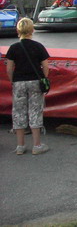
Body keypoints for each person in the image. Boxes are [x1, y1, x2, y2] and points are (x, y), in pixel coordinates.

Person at [5, 18, 50, 155]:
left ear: (18, 30)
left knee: (18, 112)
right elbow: (46, 66)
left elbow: (9, 68)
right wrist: (44, 78)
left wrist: (13, 81)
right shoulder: (38, 46)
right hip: (35, 81)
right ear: (32, 30)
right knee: (35, 111)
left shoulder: (13, 47)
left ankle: (20, 146)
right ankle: (37, 145)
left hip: (19, 82)